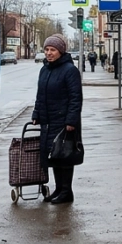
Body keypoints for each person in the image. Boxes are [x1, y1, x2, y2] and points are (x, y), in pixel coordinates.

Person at [32, 34, 84, 204]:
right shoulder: (45, 69)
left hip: (64, 122)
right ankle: (59, 189)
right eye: (46, 49)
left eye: (52, 50)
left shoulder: (70, 70)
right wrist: (36, 114)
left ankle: (67, 191)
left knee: (65, 155)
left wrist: (71, 121)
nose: (48, 53)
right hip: (48, 120)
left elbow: (76, 98)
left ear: (61, 51)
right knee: (53, 155)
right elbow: (40, 95)